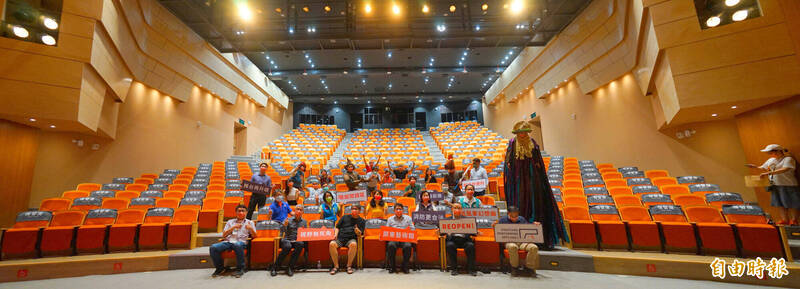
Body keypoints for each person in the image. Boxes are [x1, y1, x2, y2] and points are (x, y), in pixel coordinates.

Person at [504, 120, 568, 250]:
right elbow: (508, 162)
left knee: (535, 202)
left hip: (532, 177)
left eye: (524, 132)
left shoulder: (533, 143)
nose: (522, 135)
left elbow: (538, 161)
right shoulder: (512, 143)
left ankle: (540, 239)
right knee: (520, 201)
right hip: (518, 179)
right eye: (520, 133)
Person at [747, 144, 799, 225]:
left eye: (771, 152)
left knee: (792, 203)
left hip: (788, 184)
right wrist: (756, 167)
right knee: (779, 203)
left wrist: (769, 172)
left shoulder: (788, 159)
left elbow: (785, 169)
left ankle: (794, 220)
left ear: (778, 151)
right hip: (775, 185)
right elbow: (763, 167)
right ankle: (784, 219)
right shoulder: (771, 160)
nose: (770, 155)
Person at [210, 205, 256, 278]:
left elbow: (254, 236)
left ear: (246, 212)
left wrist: (251, 229)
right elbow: (224, 235)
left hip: (241, 242)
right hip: (228, 242)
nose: (241, 212)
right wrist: (233, 227)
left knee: (237, 245)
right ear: (236, 212)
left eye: (243, 211)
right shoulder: (230, 222)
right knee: (213, 247)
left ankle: (240, 268)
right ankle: (220, 268)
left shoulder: (250, 222)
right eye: (239, 211)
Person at [496, 206, 539, 275]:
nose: (515, 217)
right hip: (509, 241)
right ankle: (514, 267)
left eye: (516, 215)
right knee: (513, 247)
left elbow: (528, 229)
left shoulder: (522, 219)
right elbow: (499, 233)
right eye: (512, 216)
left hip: (522, 242)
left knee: (534, 247)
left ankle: (529, 267)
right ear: (508, 214)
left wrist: (534, 225)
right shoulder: (502, 220)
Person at [329, 205, 366, 275]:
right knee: (332, 244)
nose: (354, 210)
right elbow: (337, 227)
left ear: (359, 211)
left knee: (354, 244)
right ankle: (336, 266)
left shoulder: (362, 221)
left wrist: (357, 231)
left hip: (351, 239)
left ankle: (349, 266)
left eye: (356, 209)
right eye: (352, 209)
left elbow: (361, 233)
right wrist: (335, 235)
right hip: (341, 238)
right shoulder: (344, 217)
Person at [272, 205, 307, 277]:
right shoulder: (288, 219)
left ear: (303, 212)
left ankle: (290, 267)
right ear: (294, 211)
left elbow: (305, 233)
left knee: (300, 244)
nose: (299, 211)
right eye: (297, 209)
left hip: (297, 240)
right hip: (287, 239)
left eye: (301, 210)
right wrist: (284, 225)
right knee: (288, 246)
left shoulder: (304, 221)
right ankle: (275, 267)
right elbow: (282, 231)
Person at [444, 204, 477, 276]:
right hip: (453, 240)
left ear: (461, 210)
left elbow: (473, 232)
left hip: (465, 240)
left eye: (459, 208)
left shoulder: (467, 220)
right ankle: (454, 269)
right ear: (452, 209)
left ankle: (471, 269)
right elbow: (442, 232)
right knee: (449, 245)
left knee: (471, 246)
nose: (457, 209)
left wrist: (476, 232)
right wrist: (440, 231)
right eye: (455, 208)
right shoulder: (447, 220)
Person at [385, 203, 415, 274]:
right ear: (394, 210)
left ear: (403, 210)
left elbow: (413, 229)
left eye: (400, 209)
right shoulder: (390, 219)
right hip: (394, 239)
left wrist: (408, 231)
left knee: (408, 246)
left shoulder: (408, 218)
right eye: (397, 209)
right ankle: (392, 266)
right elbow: (386, 230)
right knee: (391, 245)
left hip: (404, 239)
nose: (398, 211)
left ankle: (405, 266)